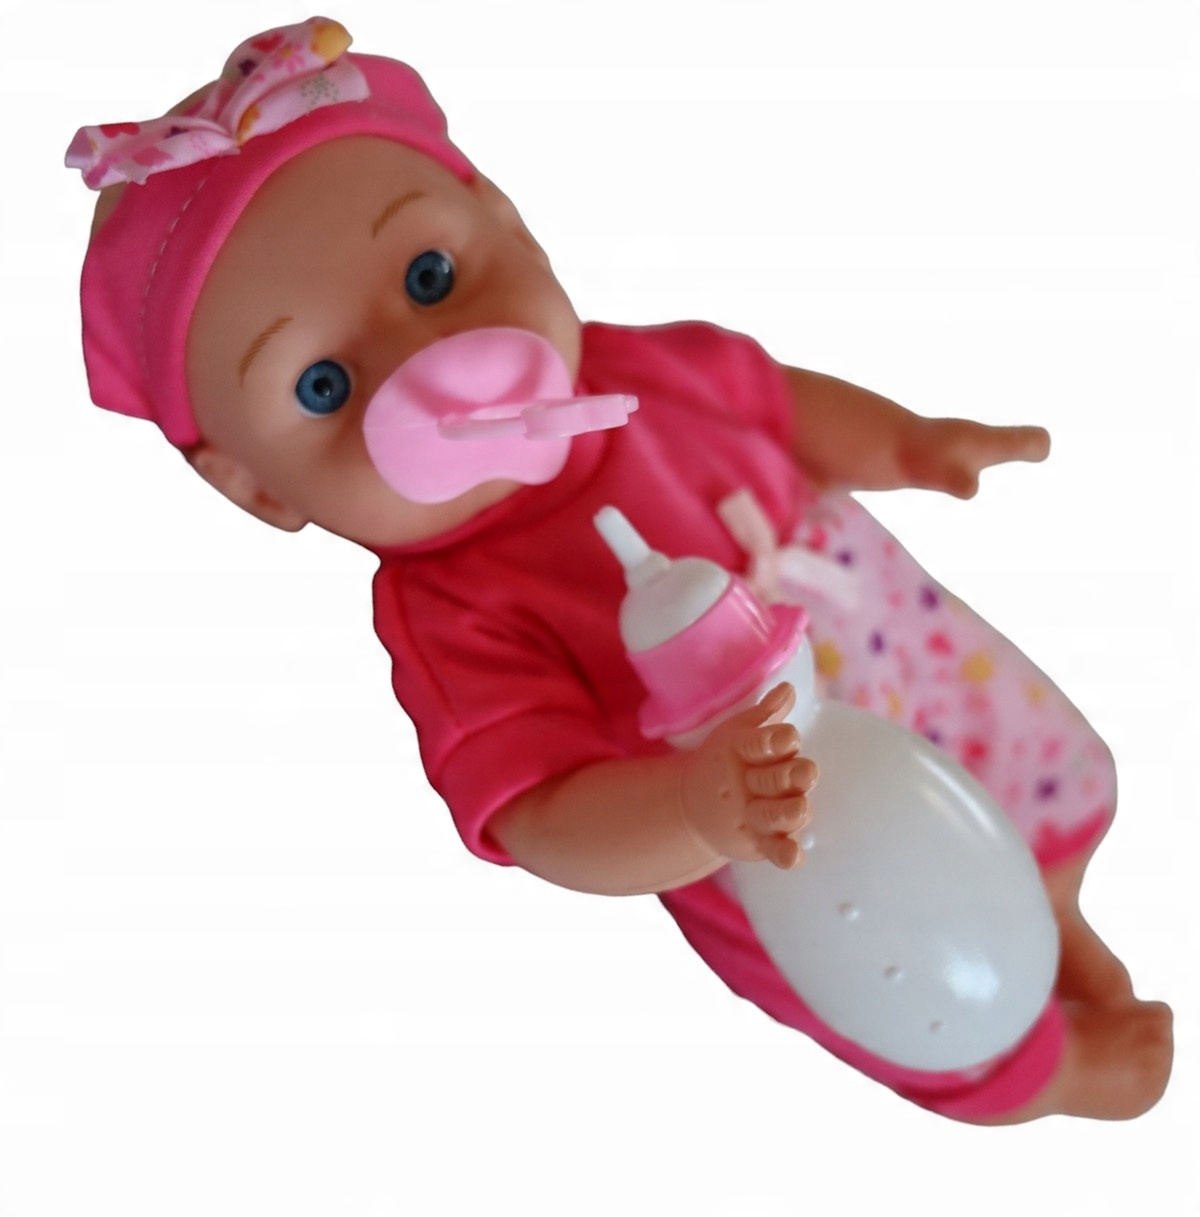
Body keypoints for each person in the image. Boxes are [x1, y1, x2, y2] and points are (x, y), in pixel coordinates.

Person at [69, 17, 1172, 1122]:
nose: (434, 371)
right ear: (257, 489)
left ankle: (1053, 905)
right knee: (902, 956)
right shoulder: (451, 611)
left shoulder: (634, 365)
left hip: (886, 641)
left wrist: (907, 444)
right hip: (775, 810)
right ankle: (1039, 1073)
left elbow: (776, 404)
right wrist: (695, 810)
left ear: (508, 220)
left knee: (1010, 781)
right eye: (326, 387)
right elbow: (542, 811)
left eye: (431, 275)